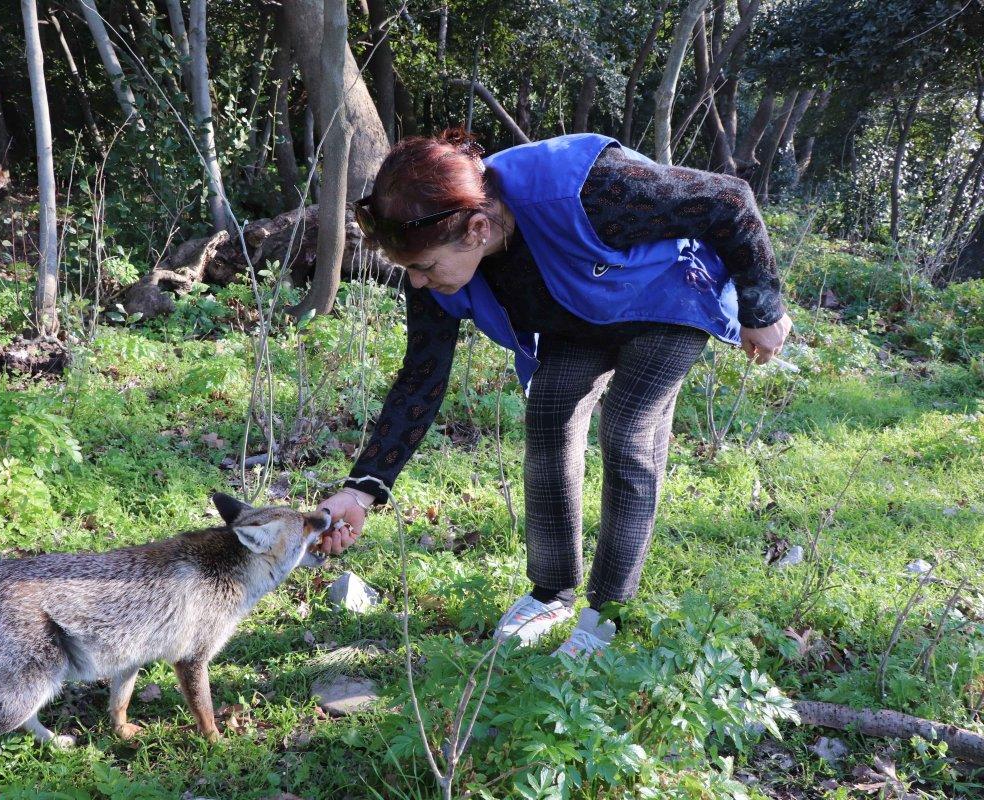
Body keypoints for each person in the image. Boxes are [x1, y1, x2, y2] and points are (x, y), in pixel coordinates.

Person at [315, 129, 792, 658]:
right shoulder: (432, 266)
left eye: (424, 268)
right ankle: (551, 591)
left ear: (477, 228)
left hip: (667, 296)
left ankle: (605, 611)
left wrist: (762, 308)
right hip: (583, 315)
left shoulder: (588, 188)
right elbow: (420, 378)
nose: (420, 283)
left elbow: (729, 199)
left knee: (628, 428)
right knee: (549, 415)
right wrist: (361, 489)